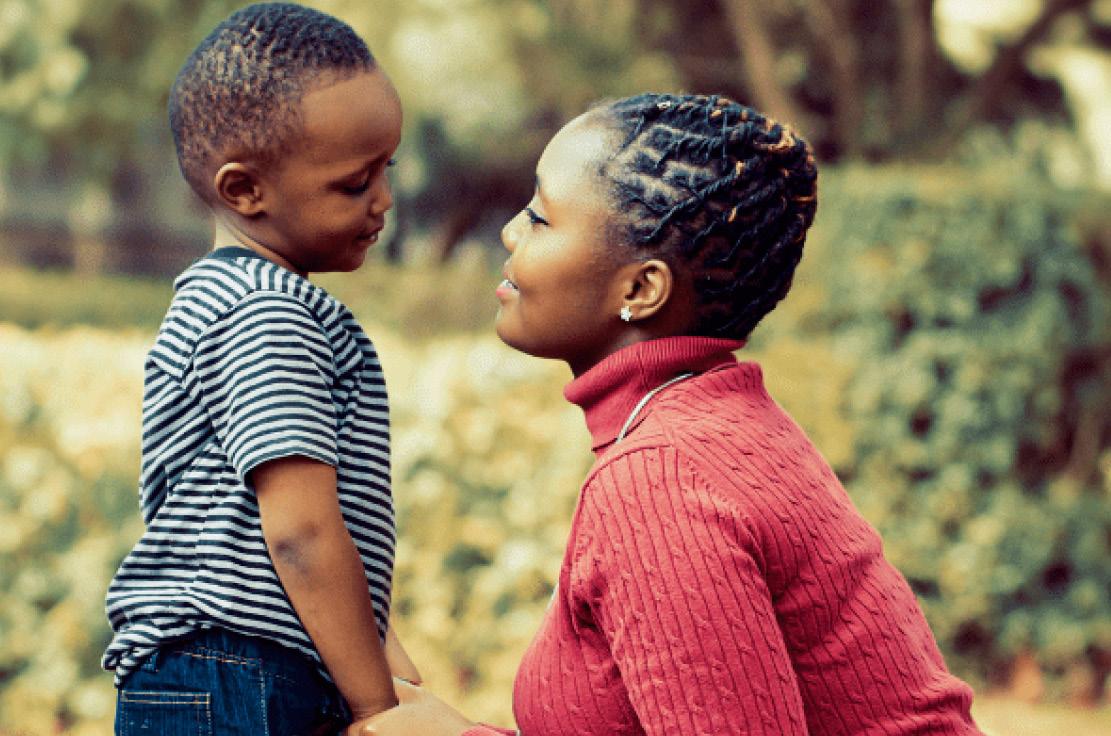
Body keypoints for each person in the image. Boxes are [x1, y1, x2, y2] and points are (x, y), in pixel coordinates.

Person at [364, 94, 984, 735]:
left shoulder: (661, 478)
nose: (510, 231)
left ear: (641, 289)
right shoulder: (720, 424)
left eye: (542, 218)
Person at [101, 4, 419, 734]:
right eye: (354, 183)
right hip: (235, 673)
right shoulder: (264, 312)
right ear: (245, 191)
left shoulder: (235, 298)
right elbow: (299, 532)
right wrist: (376, 707)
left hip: (231, 670)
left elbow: (269, 526)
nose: (384, 201)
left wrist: (380, 644)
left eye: (387, 169)